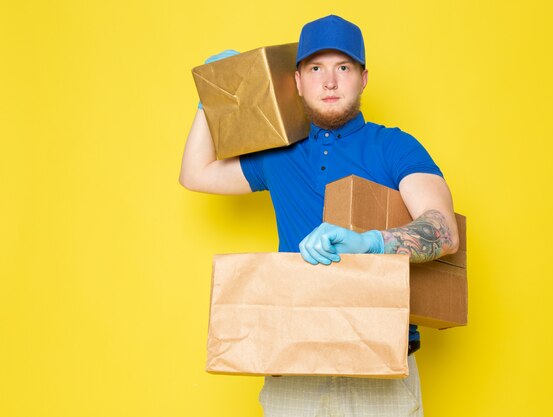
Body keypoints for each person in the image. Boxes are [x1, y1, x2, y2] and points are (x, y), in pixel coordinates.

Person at [180, 14, 459, 417]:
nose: (329, 82)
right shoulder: (278, 155)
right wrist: (213, 95)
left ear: (363, 78)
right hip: (293, 362)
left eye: (343, 68)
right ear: (297, 81)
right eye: (316, 69)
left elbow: (443, 230)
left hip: (379, 364)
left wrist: (371, 243)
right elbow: (195, 173)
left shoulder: (394, 146)